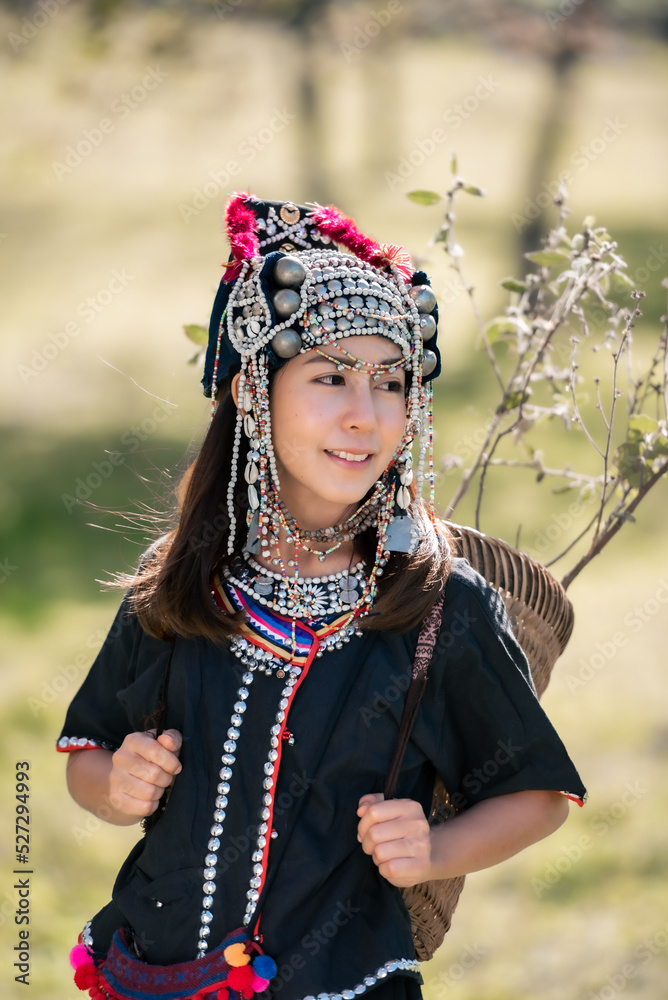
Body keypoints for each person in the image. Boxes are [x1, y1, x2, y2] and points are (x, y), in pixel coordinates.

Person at [58, 194, 586, 1000]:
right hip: (149, 972)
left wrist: (436, 851)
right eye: (330, 376)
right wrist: (114, 783)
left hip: (343, 982)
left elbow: (541, 795)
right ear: (250, 393)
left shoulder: (441, 603)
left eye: (390, 383)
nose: (363, 415)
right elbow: (87, 754)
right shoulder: (177, 584)